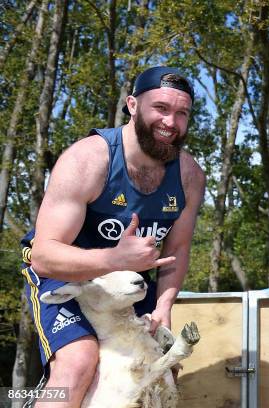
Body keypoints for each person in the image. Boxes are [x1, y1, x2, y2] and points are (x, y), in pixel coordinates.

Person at [20, 66, 206, 407]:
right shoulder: (87, 159)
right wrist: (112, 259)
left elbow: (177, 248)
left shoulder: (190, 175)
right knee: (79, 362)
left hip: (130, 281)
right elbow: (43, 256)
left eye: (182, 113)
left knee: (162, 372)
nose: (171, 122)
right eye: (161, 108)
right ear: (133, 105)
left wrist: (164, 306)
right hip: (65, 277)